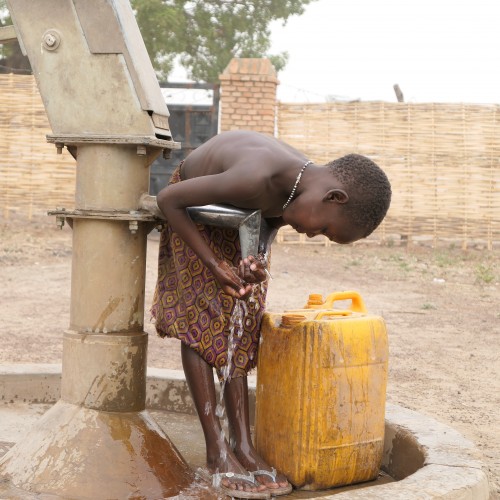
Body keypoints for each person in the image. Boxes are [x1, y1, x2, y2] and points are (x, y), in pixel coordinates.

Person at [152, 130, 391, 498]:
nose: (313, 236)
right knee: (203, 317)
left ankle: (243, 446)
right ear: (333, 197)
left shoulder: (301, 188)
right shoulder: (256, 177)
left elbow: (273, 217)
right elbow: (168, 200)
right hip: (194, 209)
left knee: (245, 316)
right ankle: (216, 450)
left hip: (243, 218)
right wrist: (215, 265)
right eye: (325, 230)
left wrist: (256, 256)